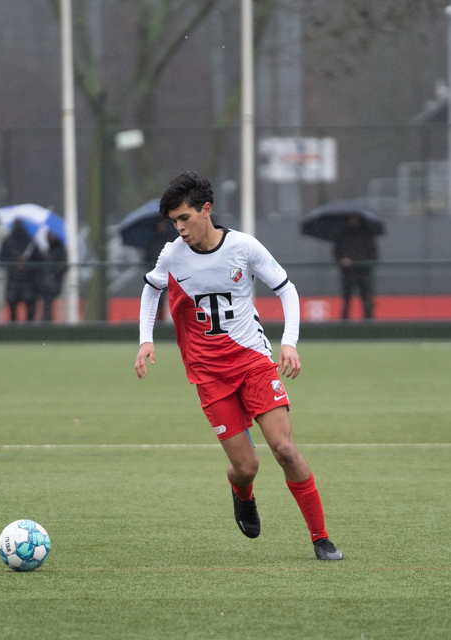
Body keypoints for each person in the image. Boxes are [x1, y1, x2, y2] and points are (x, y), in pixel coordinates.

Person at [134, 171, 342, 562]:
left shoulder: (244, 247)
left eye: (184, 218)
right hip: (208, 376)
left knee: (284, 449)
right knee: (247, 466)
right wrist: (146, 338)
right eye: (174, 221)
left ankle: (321, 539)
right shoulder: (172, 255)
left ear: (206, 210)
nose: (179, 229)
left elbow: (287, 289)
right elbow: (151, 289)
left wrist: (289, 342)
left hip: (253, 362)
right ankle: (241, 490)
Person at [333, 213, 378, 320]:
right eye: (351, 218)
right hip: (348, 273)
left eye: (355, 218)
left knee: (366, 300)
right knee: (346, 300)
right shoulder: (343, 235)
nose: (353, 220)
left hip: (364, 273)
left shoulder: (366, 235)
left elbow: (374, 254)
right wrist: (342, 260)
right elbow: (336, 253)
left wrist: (361, 262)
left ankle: (369, 324)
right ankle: (344, 325)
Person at [0, 219, 42, 322]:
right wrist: (14, 262)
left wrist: (27, 263)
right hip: (13, 278)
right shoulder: (8, 241)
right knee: (12, 306)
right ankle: (13, 331)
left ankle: (30, 331)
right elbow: (2, 258)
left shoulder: (30, 241)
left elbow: (39, 260)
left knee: (30, 307)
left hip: (28, 279)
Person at [143, 216, 173, 321]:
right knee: (156, 301)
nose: (163, 227)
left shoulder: (171, 241)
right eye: (161, 224)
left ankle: (169, 323)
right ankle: (158, 321)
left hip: (170, 276)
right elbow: (147, 259)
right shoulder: (152, 242)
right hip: (156, 276)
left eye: (164, 224)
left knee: (170, 301)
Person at [39, 229, 67, 322]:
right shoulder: (45, 250)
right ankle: (46, 318)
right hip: (44, 281)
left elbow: (63, 265)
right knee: (46, 301)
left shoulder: (59, 250)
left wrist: (54, 274)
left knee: (48, 300)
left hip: (54, 282)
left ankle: (47, 319)